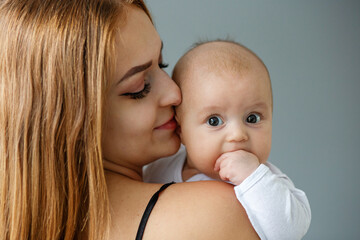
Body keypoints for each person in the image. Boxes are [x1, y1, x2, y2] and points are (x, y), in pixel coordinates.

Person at [0, 0, 260, 239]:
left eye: (162, 64)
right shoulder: (215, 214)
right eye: (139, 88)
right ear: (70, 120)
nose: (175, 93)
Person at [143, 40, 312, 239]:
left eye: (252, 118)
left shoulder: (265, 182)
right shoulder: (158, 170)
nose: (238, 134)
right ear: (180, 130)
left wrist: (252, 178)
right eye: (214, 121)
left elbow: (290, 232)